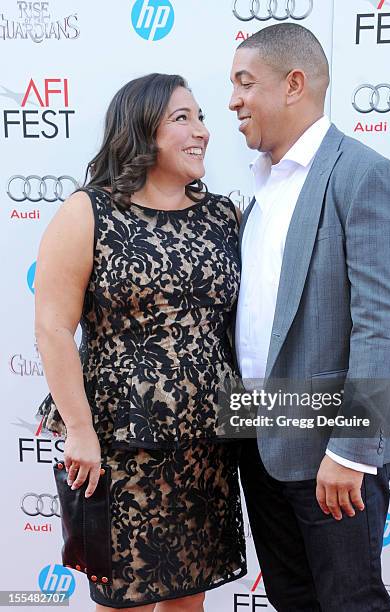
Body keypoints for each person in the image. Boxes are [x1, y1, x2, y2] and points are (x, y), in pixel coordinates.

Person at [35, 73, 246, 612]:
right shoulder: (90, 211)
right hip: (117, 442)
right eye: (183, 118)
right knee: (120, 602)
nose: (202, 130)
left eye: (202, 117)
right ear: (142, 129)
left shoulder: (224, 216)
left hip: (205, 442)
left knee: (186, 600)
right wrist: (79, 431)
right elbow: (53, 328)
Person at [229, 23, 390, 612]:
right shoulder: (260, 188)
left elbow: (383, 326)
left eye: (244, 83)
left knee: (349, 602)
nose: (233, 100)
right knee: (294, 601)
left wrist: (352, 451)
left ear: (294, 84)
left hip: (333, 451)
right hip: (261, 442)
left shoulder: (364, 174)